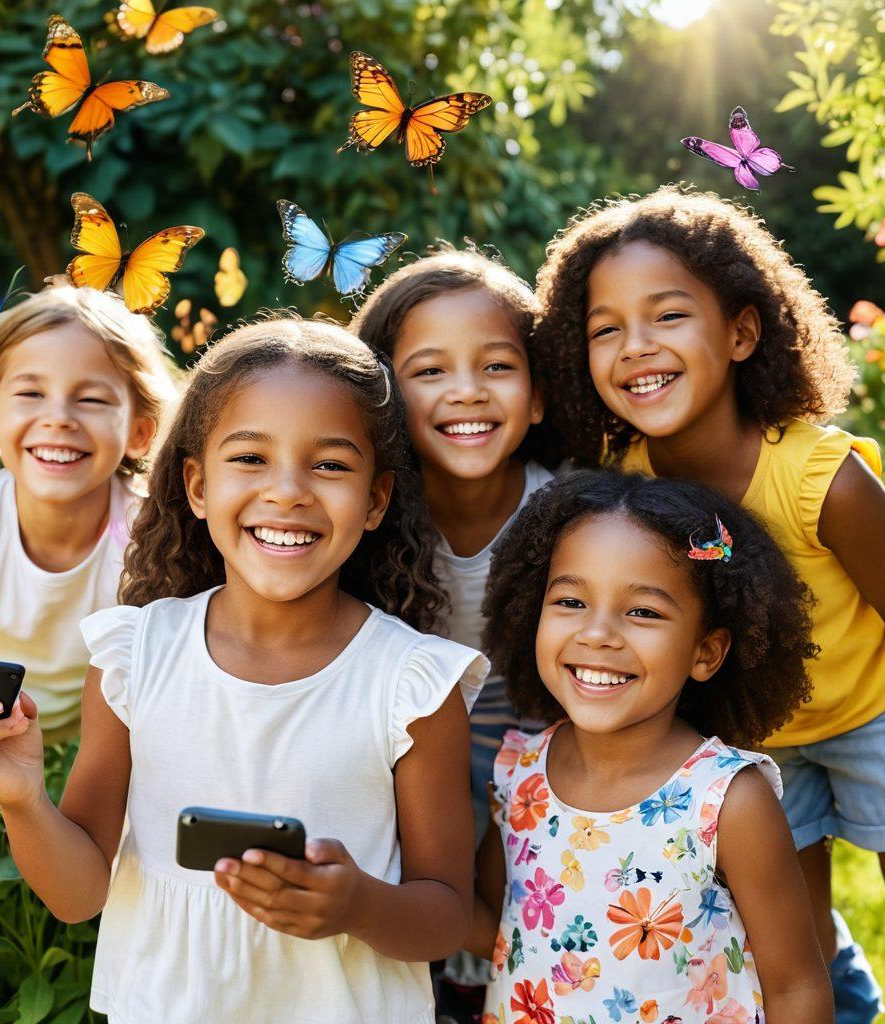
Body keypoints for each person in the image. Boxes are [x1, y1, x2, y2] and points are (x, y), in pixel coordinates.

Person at [0, 316, 488, 1023]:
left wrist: (359, 904)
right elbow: (78, 897)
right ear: (196, 485)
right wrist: (21, 797)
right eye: (250, 458)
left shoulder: (413, 684)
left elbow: (443, 916)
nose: (288, 491)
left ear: (376, 499)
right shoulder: (134, 656)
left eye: (330, 464)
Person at [532, 186, 885, 1022]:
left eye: (667, 317)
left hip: (879, 714)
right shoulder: (627, 490)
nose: (636, 348)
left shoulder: (824, 478)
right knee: (797, 948)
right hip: (762, 740)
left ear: (741, 332)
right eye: (605, 329)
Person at [468, 469, 833, 1024]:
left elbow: (798, 988)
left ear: (705, 652)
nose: (598, 633)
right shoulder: (518, 773)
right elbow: (501, 928)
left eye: (643, 612)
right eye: (570, 600)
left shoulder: (728, 801)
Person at [352, 246, 567, 1016]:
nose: (467, 392)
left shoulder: (571, 512)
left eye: (497, 368)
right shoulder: (365, 518)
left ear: (539, 396)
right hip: (414, 736)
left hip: (547, 728)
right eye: (431, 370)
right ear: (381, 396)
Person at [0, 284, 178, 745]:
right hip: (8, 739)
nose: (58, 417)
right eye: (31, 393)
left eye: (93, 400)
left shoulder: (151, 531)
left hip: (123, 744)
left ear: (140, 432)